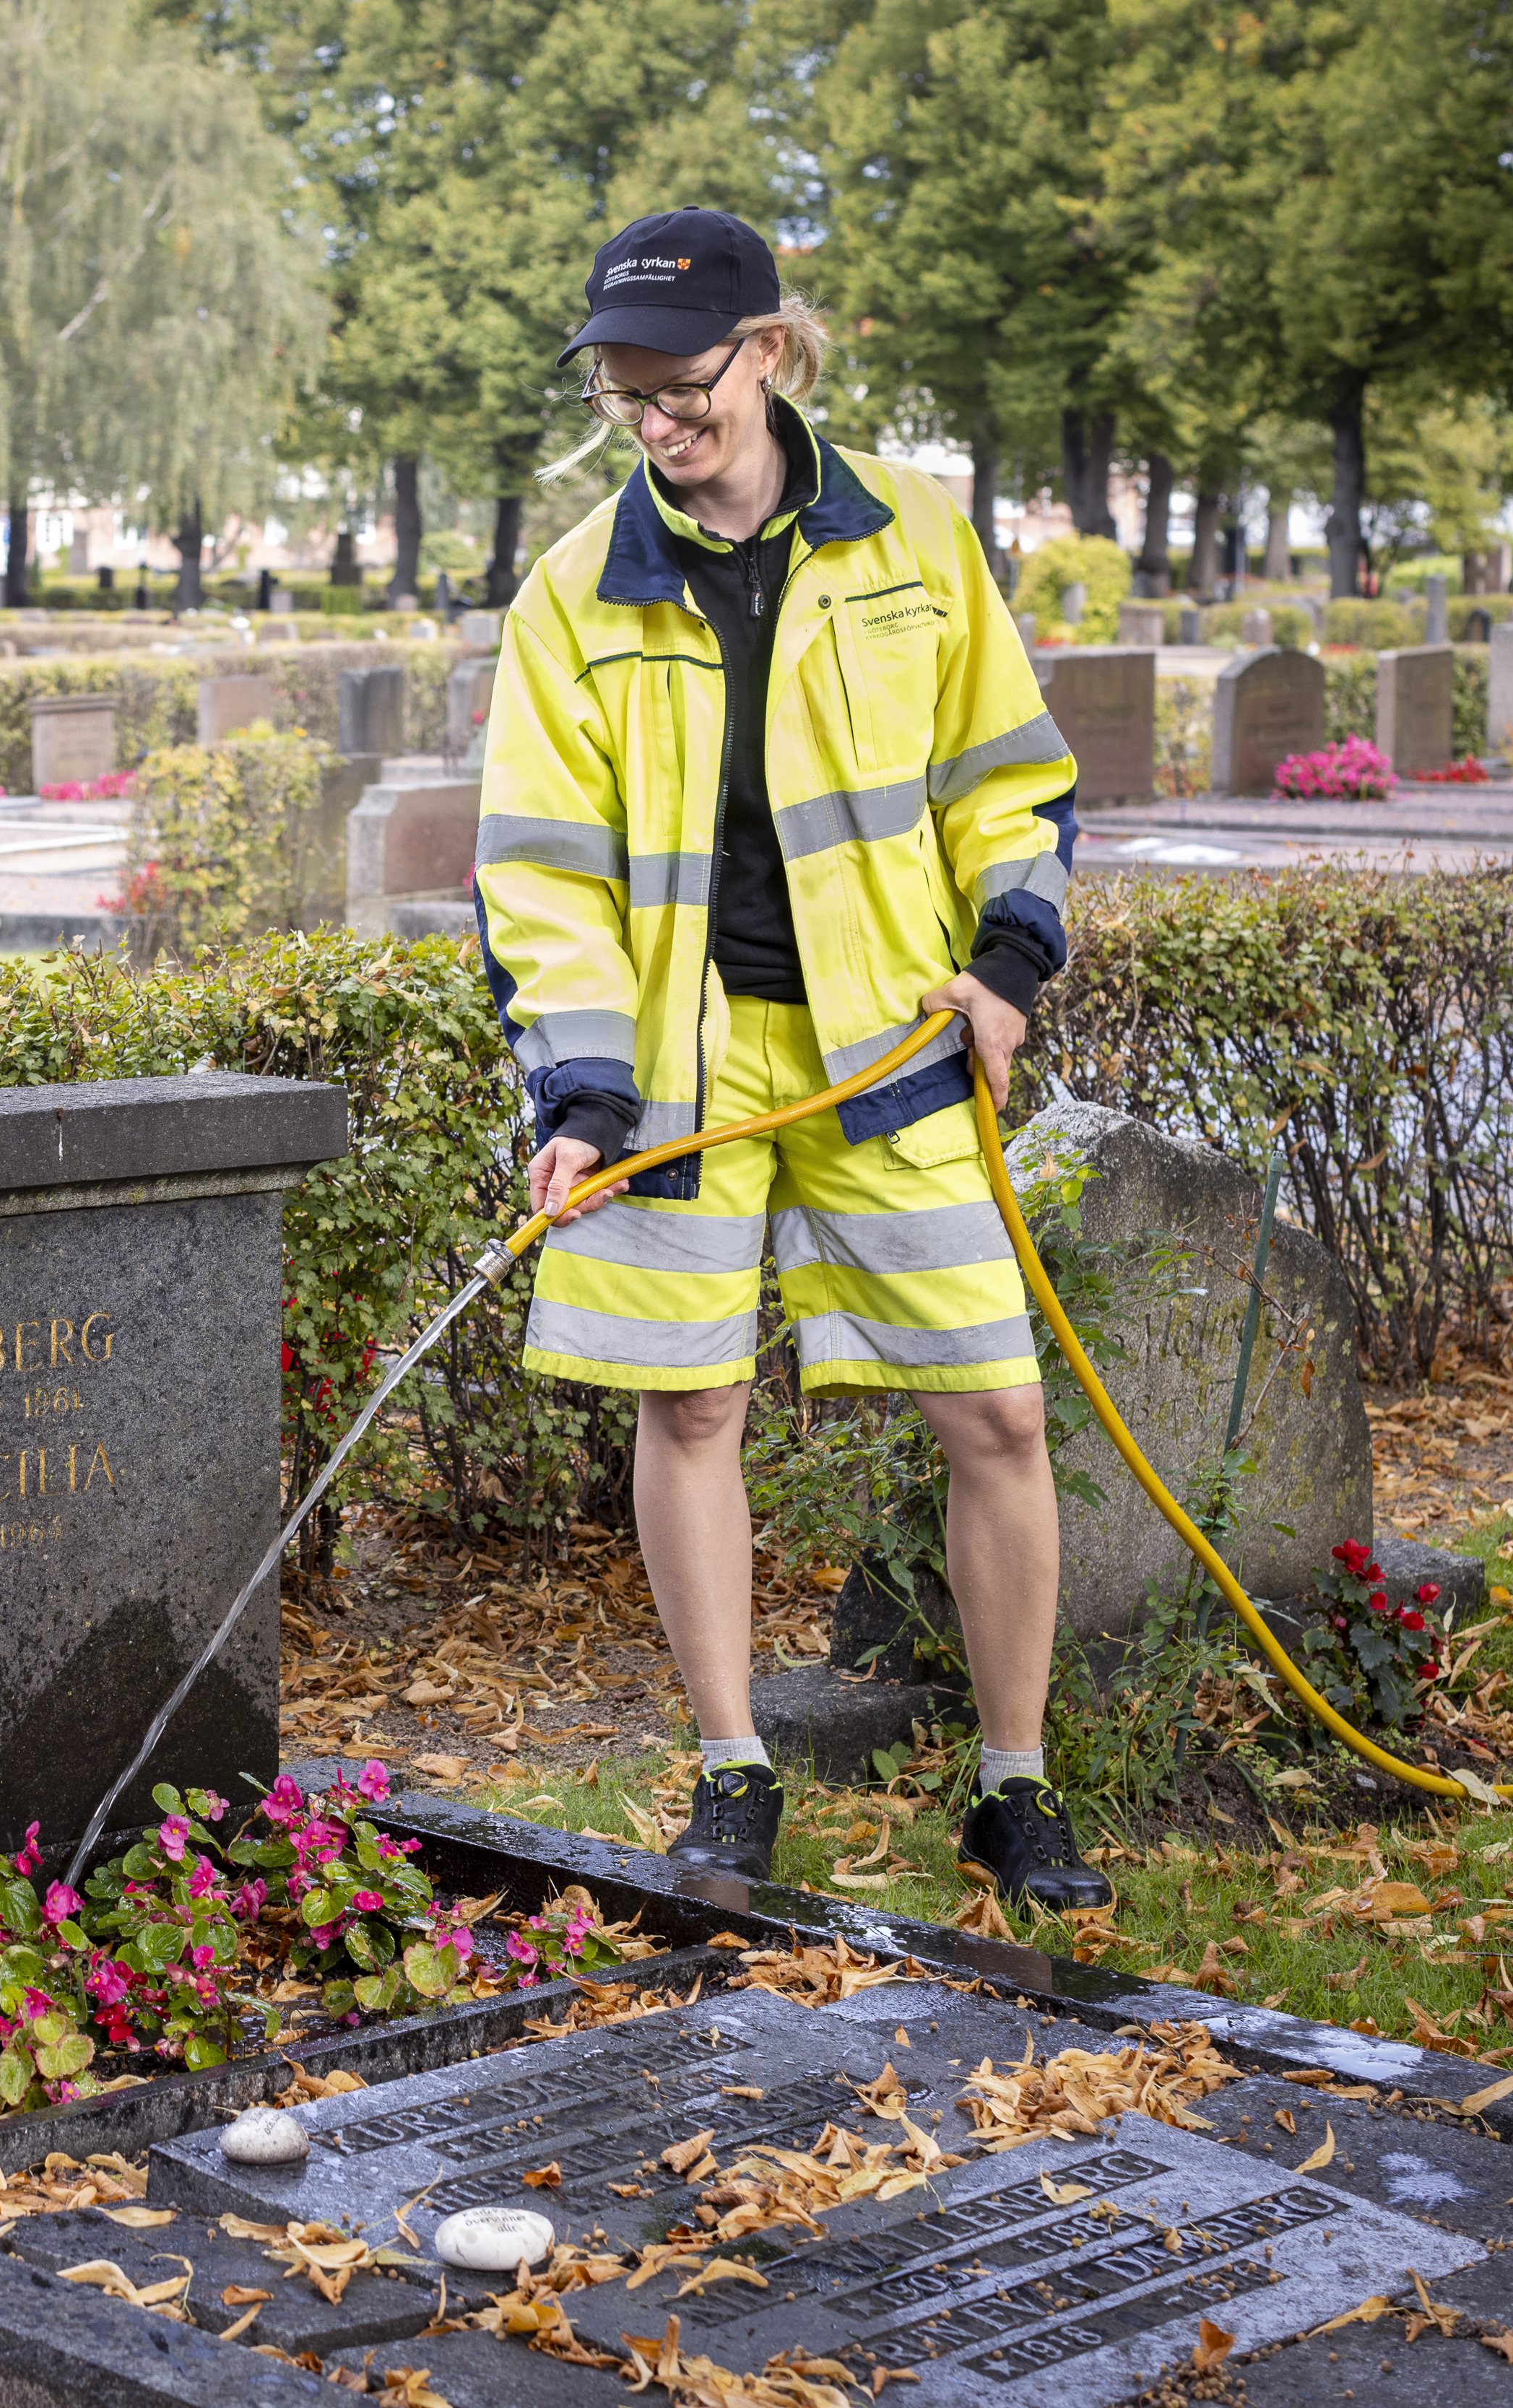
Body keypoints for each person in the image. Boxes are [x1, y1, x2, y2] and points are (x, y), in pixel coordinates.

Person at [473, 209, 1106, 1911]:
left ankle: (1012, 1783)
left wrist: (1005, 964)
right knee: (690, 1405)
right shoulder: (570, 592)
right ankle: (733, 1768)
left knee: (994, 1412)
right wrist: (580, 1092)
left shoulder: (911, 534)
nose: (654, 420)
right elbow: (540, 873)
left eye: (676, 385)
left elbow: (1012, 780)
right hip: (673, 1073)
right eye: (619, 393)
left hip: (888, 1043)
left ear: (765, 349)